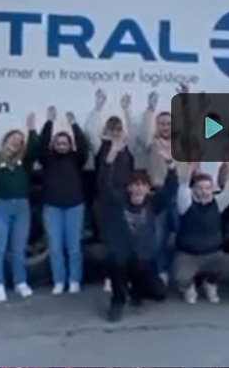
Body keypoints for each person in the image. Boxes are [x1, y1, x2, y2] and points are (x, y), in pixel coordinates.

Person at [99, 136, 178, 322]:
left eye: (142, 186)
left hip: (142, 260)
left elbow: (171, 188)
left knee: (160, 294)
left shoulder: (153, 203)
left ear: (148, 189)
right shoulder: (118, 202)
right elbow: (104, 184)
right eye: (135, 185)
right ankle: (118, 301)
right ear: (128, 188)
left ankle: (135, 292)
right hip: (121, 258)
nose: (138, 190)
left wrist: (170, 163)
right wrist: (111, 156)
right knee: (116, 260)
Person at [0, 108, 40, 303]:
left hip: (21, 209)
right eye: (13, 138)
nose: (16, 142)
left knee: (18, 249)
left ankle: (20, 283)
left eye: (20, 141)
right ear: (6, 141)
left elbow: (35, 149)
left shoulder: (24, 164)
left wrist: (31, 130)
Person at [86, 89, 135, 292]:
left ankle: (127, 276)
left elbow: (131, 130)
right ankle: (109, 277)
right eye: (112, 128)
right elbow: (91, 129)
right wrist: (98, 107)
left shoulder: (126, 148)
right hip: (105, 201)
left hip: (124, 199)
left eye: (118, 129)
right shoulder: (101, 146)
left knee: (127, 239)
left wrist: (127, 110)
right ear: (106, 130)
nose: (115, 132)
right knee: (108, 241)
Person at [172, 162, 229, 304]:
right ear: (194, 189)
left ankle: (210, 282)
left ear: (212, 189)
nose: (204, 191)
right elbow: (184, 184)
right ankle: (189, 287)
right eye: (200, 188)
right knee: (180, 277)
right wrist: (190, 167)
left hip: (213, 254)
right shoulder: (185, 204)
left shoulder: (218, 204)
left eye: (207, 188)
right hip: (189, 255)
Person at [39, 106, 89, 295]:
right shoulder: (48, 159)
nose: (62, 146)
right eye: (58, 143)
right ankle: (59, 281)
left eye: (65, 143)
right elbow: (42, 144)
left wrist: (74, 125)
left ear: (70, 145)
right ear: (54, 145)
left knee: (74, 247)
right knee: (56, 247)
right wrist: (49, 122)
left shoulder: (77, 159)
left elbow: (83, 146)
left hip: (74, 207)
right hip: (53, 207)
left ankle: (74, 280)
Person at [135, 90, 178, 285]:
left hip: (180, 195)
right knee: (158, 238)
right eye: (162, 123)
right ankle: (159, 272)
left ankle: (186, 276)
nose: (166, 127)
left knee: (181, 237)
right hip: (158, 195)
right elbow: (144, 132)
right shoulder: (151, 143)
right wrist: (150, 109)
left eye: (169, 123)